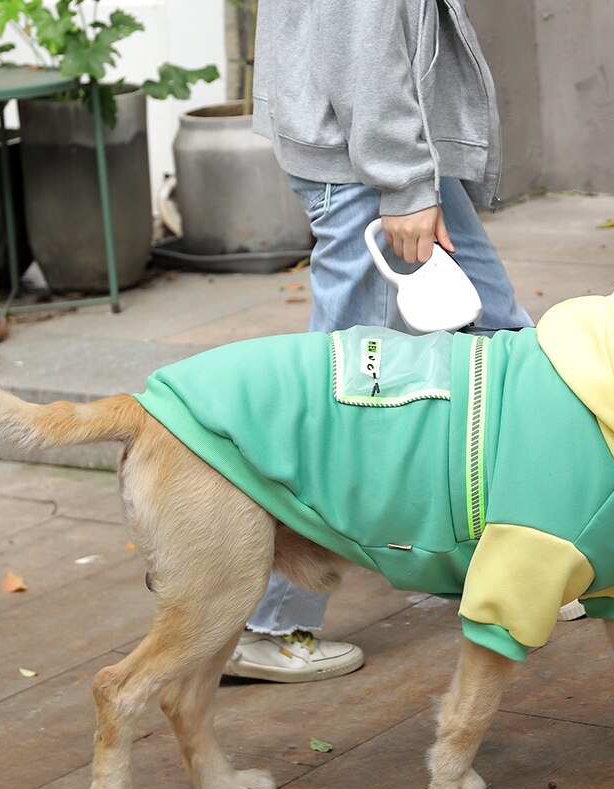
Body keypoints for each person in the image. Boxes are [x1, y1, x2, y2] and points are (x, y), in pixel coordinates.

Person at [224, 0, 533, 682]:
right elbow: (361, 35)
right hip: (368, 160)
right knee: (341, 404)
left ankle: (537, 554)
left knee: (501, 337)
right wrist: (402, 182)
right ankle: (269, 622)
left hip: (377, 145)